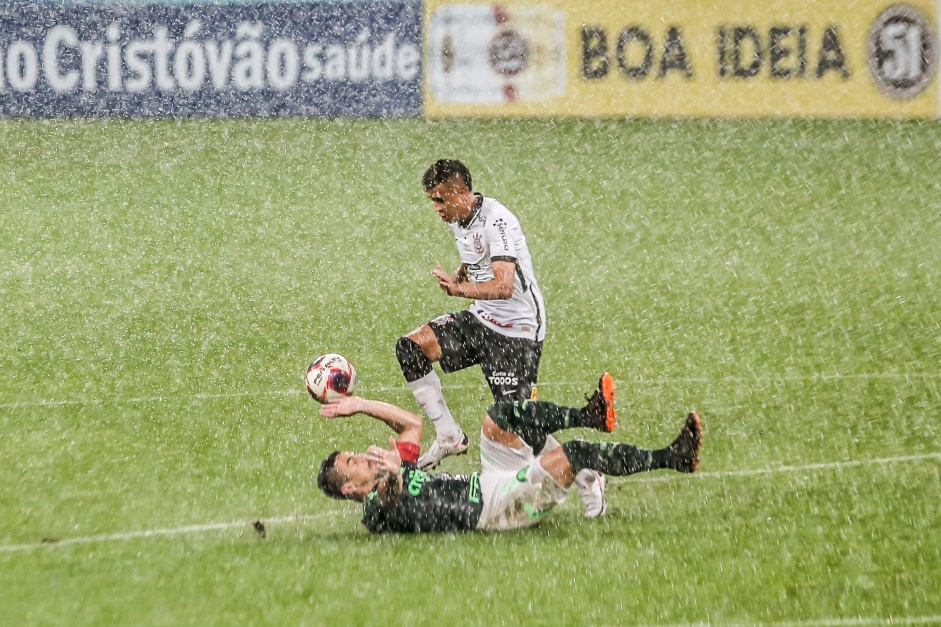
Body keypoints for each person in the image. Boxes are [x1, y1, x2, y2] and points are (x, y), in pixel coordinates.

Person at [316, 373, 703, 534]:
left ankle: (588, 414)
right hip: (497, 510)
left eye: (355, 453)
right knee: (574, 454)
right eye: (352, 463)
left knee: (497, 419)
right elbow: (391, 500)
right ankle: (673, 458)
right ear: (350, 489)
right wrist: (395, 473)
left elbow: (412, 424)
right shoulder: (374, 511)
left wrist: (361, 403)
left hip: (489, 484)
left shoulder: (391, 469)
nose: (362, 457)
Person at [395, 159, 547, 471]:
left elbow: (504, 286)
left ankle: (587, 474)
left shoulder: (498, 221)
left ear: (461, 192)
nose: (436, 208)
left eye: (440, 200)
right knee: (411, 347)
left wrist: (457, 290)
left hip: (516, 332)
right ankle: (449, 434)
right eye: (432, 201)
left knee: (516, 429)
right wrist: (461, 274)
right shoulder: (458, 217)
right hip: (481, 319)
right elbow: (475, 254)